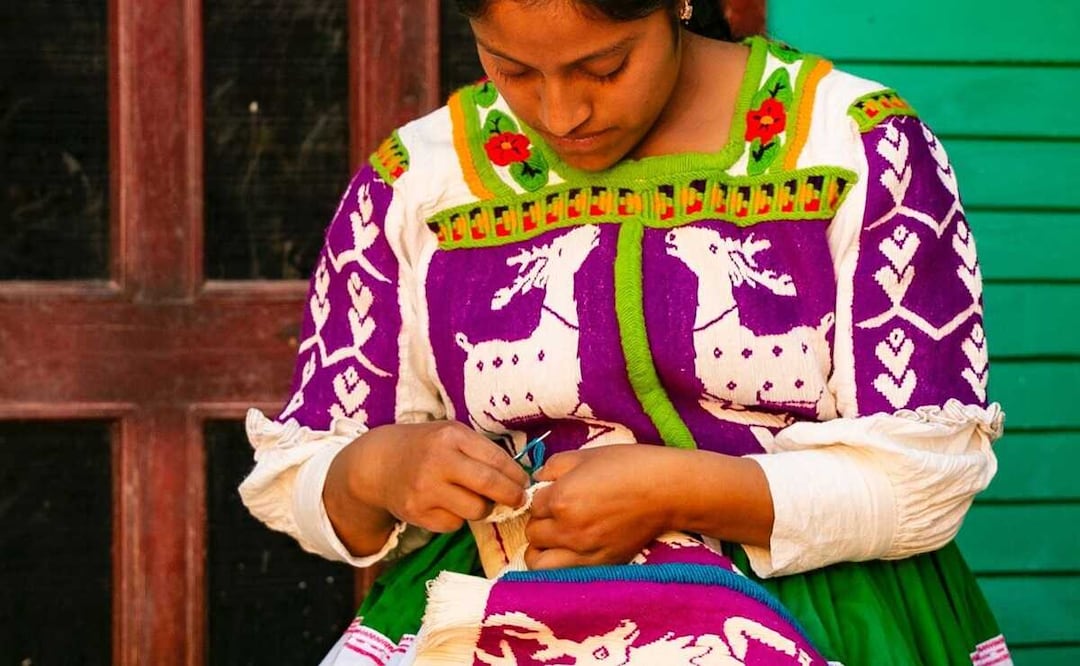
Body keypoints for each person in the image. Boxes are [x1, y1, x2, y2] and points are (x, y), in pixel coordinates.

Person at [239, 0, 1011, 663]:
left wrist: (682, 489)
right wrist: (376, 469)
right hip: (497, 617)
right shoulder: (419, 178)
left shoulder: (854, 145)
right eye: (512, 70)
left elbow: (929, 475)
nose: (559, 113)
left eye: (603, 68)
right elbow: (301, 479)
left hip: (829, 618)